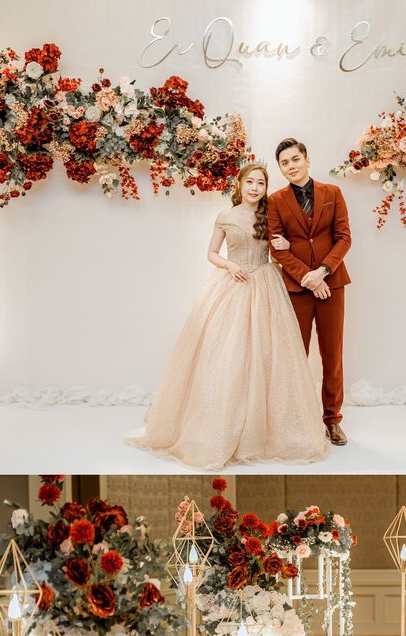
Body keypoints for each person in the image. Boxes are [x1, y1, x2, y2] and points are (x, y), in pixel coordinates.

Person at [126, 162, 328, 469]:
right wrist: (228, 265)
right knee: (227, 353)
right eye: (250, 182)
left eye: (261, 183)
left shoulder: (271, 215)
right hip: (234, 282)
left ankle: (264, 429)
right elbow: (211, 253)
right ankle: (220, 424)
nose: (256, 188)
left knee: (267, 354)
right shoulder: (226, 216)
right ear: (240, 184)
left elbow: (282, 252)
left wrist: (285, 244)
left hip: (264, 283)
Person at [268, 138, 352, 446]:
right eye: (284, 163)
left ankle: (332, 420)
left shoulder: (333, 193)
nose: (291, 166)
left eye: (295, 160)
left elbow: (343, 238)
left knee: (332, 355)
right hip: (297, 289)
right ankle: (295, 420)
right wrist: (307, 277)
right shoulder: (275, 200)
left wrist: (323, 273)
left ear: (307, 160)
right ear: (280, 168)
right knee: (295, 356)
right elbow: (276, 248)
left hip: (333, 284)